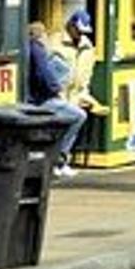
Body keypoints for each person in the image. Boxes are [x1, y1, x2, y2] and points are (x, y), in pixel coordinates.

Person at [23, 21, 88, 176]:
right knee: (77, 116)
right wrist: (56, 89)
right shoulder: (38, 49)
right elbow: (43, 75)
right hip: (40, 100)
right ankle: (59, 160)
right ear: (42, 35)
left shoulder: (26, 48)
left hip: (34, 99)